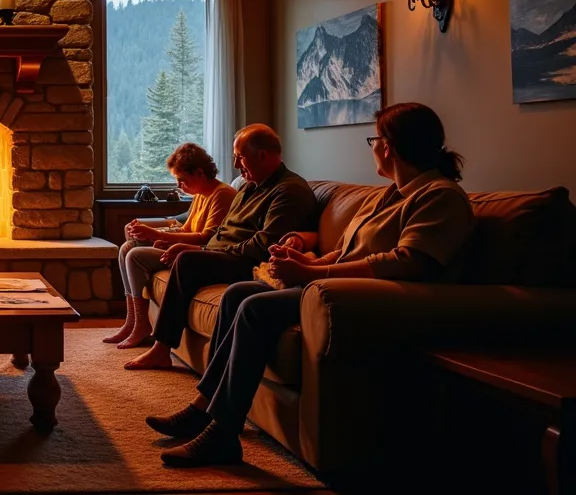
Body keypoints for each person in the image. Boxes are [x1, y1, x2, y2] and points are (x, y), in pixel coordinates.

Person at [149, 103, 475, 468]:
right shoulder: (390, 194)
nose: (372, 147)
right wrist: (311, 261)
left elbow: (409, 262)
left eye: (374, 139)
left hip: (369, 300)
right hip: (339, 287)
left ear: (390, 146)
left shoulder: (439, 195)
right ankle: (205, 407)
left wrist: (314, 276)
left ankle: (222, 434)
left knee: (256, 307)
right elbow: (349, 249)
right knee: (240, 293)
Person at [124, 124, 317, 370]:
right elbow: (220, 230)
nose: (236, 165)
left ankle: (161, 349)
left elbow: (263, 245)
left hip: (248, 260)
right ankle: (153, 339)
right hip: (223, 253)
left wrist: (202, 251)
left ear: (263, 156)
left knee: (186, 261)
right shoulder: (249, 186)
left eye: (240, 157)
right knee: (177, 257)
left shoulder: (288, 191)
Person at [106, 143, 237, 348]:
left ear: (200, 173)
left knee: (135, 255)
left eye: (182, 179)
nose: (178, 185)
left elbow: (207, 238)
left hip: (202, 255)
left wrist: (157, 234)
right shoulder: (201, 194)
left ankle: (142, 325)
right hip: (188, 248)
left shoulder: (222, 194)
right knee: (126, 248)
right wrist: (162, 236)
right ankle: (131, 320)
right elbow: (186, 229)